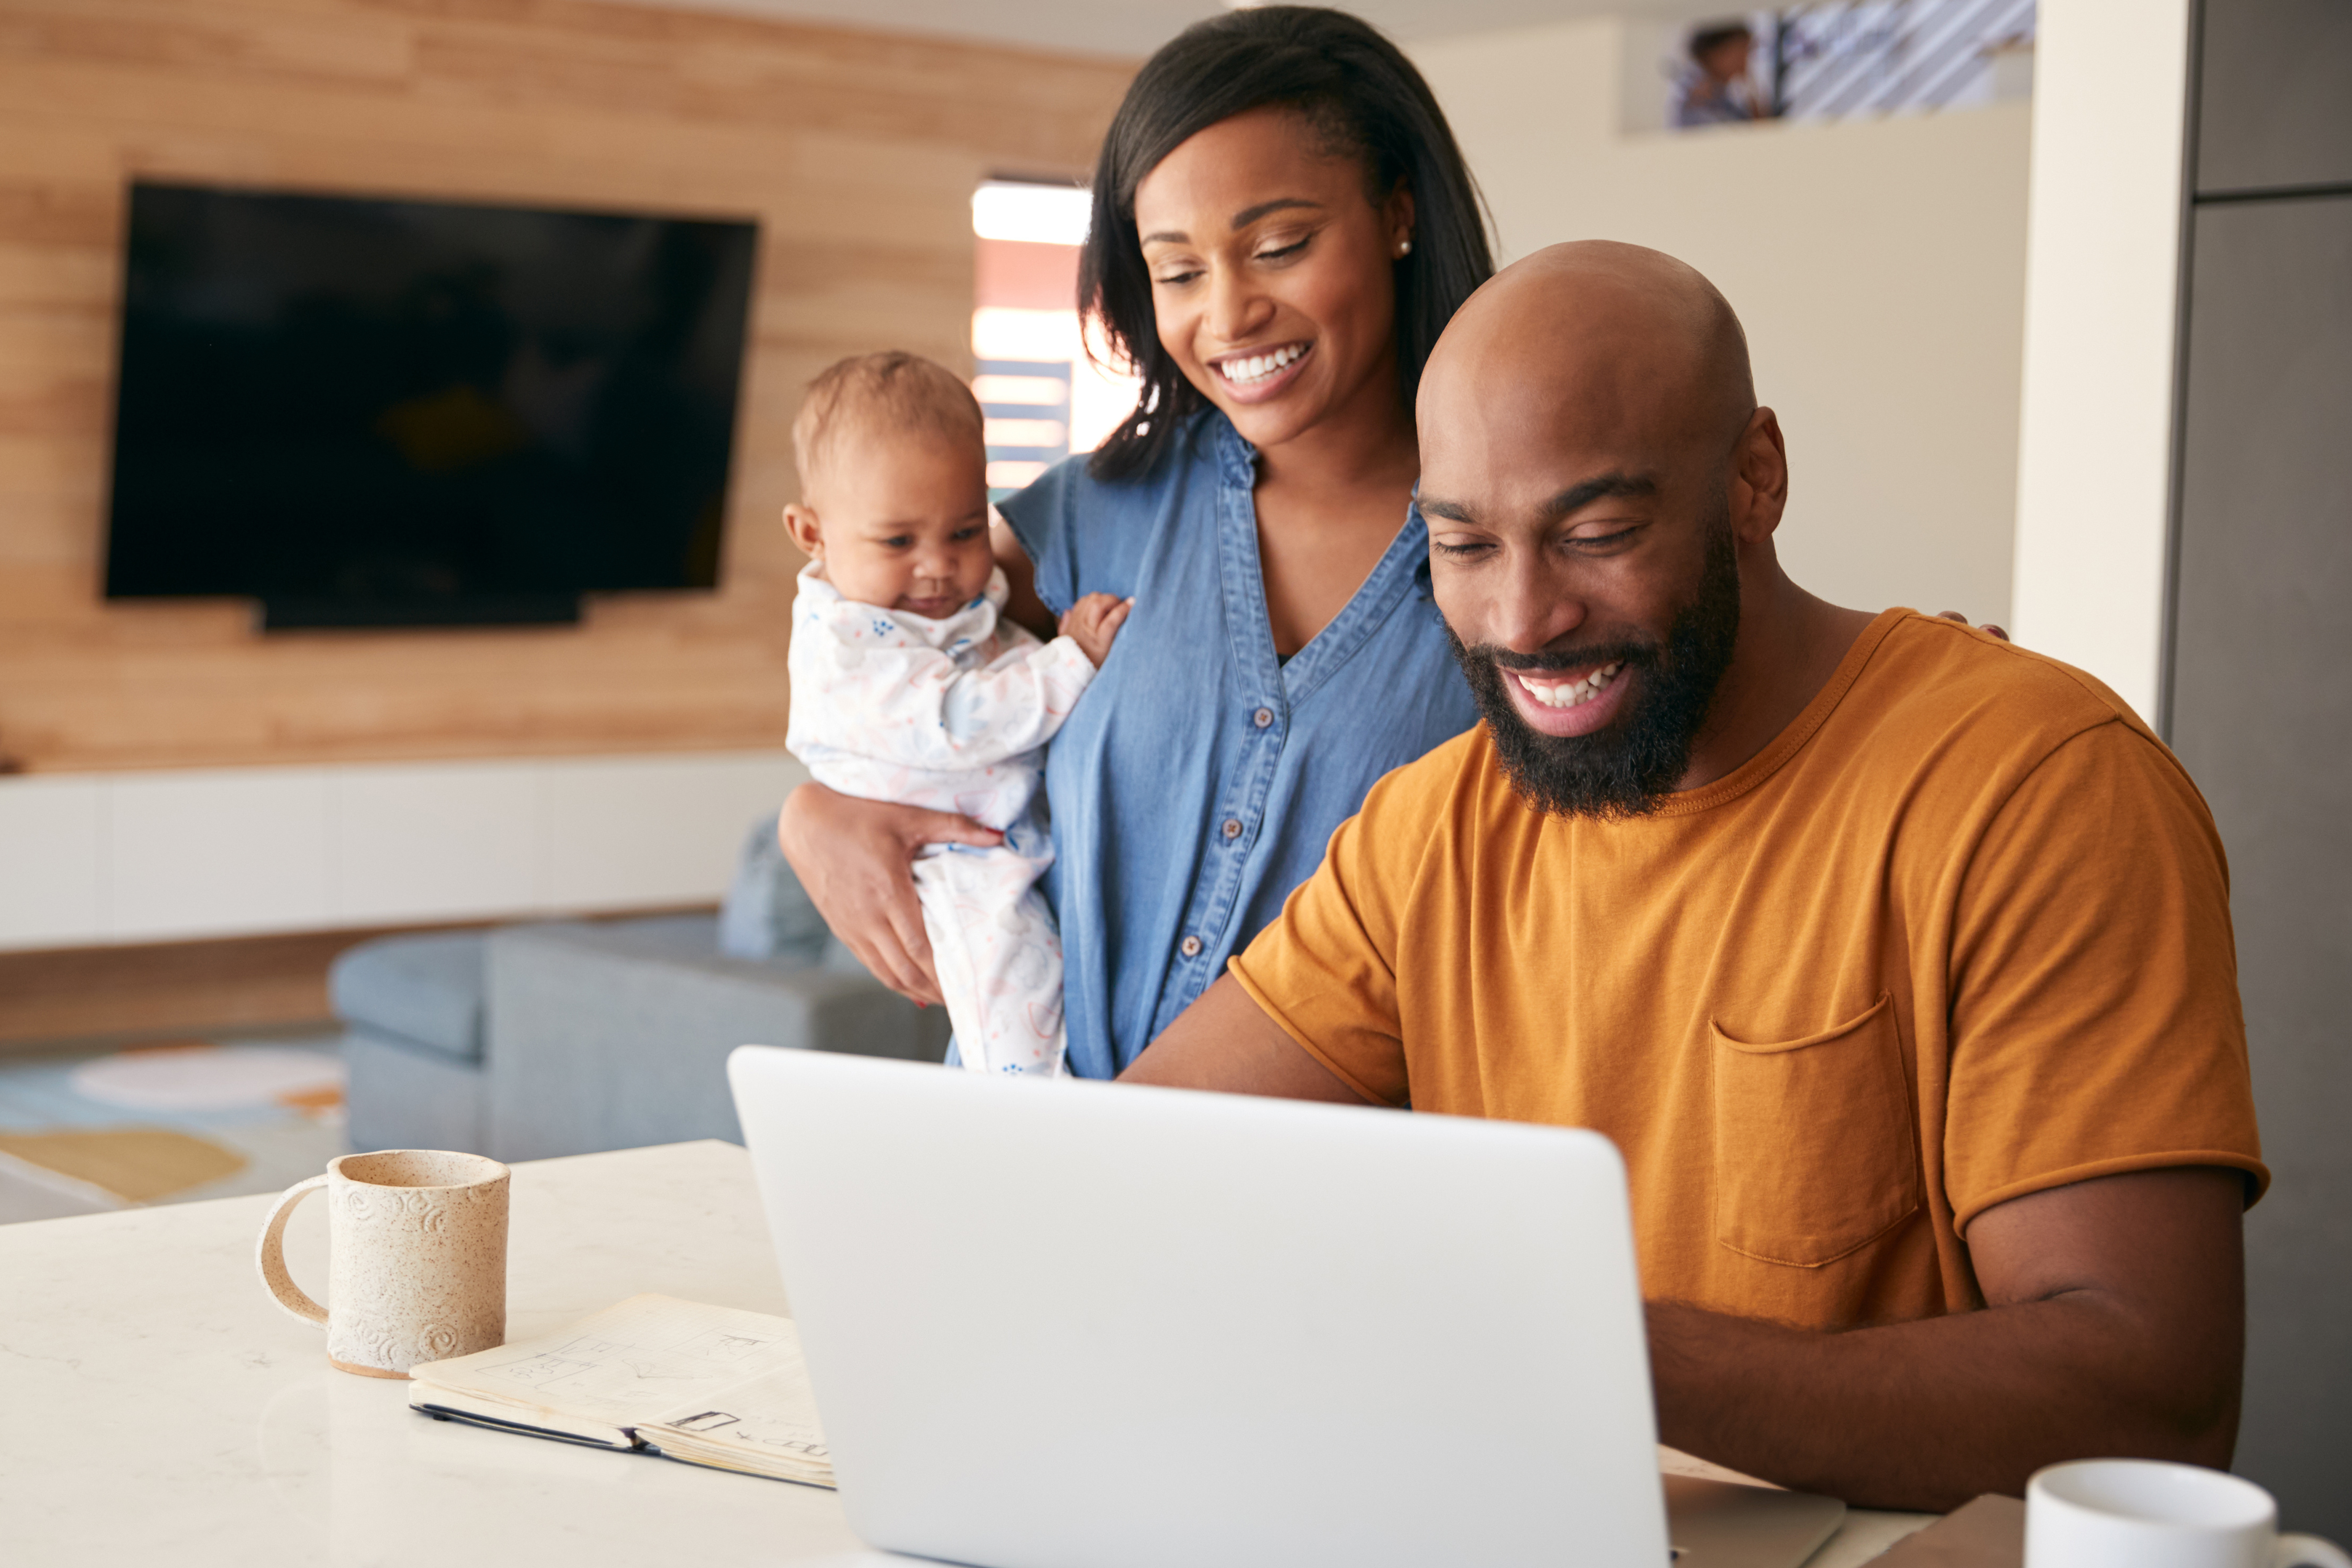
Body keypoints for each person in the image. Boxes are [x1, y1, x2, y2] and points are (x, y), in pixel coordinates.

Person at [1126, 241, 2266, 1512]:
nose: (1522, 620)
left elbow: (2149, 1400)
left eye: (1597, 534)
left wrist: (1576, 1346)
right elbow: (1123, 1173)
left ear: (1755, 482)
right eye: (1462, 546)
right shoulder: (1431, 829)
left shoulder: (2034, 787)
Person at [778, 7, 1494, 1078]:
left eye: (1280, 246)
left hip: (1348, 1197)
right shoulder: (1089, 515)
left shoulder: (1515, 546)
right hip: (1052, 1166)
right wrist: (813, 813)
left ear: (1397, 212)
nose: (1230, 313)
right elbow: (880, 670)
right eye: (1177, 270)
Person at [780, 352, 1131, 1075]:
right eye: (899, 541)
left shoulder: (923, 608)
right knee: (1014, 995)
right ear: (812, 533)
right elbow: (960, 721)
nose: (938, 565)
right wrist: (1074, 658)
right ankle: (1029, 1114)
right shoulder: (847, 648)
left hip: (994, 835)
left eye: (966, 532)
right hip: (948, 863)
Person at [1676, 22, 1771, 128]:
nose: (1746, 59)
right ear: (1716, 53)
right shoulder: (1697, 98)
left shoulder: (1723, 94)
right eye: (1741, 50)